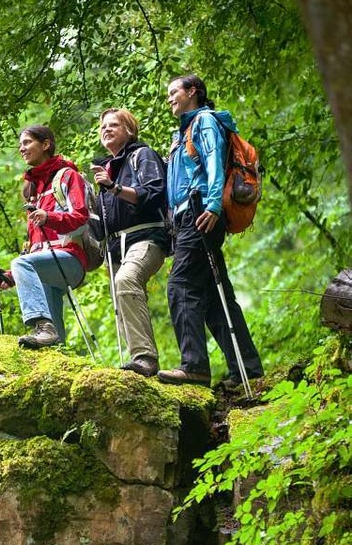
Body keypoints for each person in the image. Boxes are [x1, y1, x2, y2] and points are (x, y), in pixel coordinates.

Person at [158, 74, 264, 388]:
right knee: (215, 297)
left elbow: (214, 162)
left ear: (193, 91)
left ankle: (194, 367)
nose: (170, 99)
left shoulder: (204, 121)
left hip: (201, 212)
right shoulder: (183, 132)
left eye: (174, 91)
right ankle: (247, 369)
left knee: (180, 286)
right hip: (190, 217)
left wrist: (214, 204)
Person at [0, 125, 89, 349]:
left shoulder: (67, 176)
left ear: (46, 144)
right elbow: (36, 246)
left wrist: (49, 217)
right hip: (45, 265)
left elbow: (80, 217)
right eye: (20, 145)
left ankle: (42, 326)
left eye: (27, 143)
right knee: (53, 343)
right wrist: (11, 277)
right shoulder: (34, 190)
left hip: (70, 259)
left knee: (21, 263)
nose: (21, 149)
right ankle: (60, 360)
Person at [91, 108, 169, 376]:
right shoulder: (106, 170)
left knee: (126, 280)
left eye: (114, 125)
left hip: (147, 236)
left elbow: (156, 193)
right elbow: (101, 226)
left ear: (129, 130)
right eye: (103, 127)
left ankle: (145, 358)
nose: (107, 129)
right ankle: (137, 363)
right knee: (121, 294)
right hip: (117, 247)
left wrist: (114, 187)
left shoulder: (141, 156)